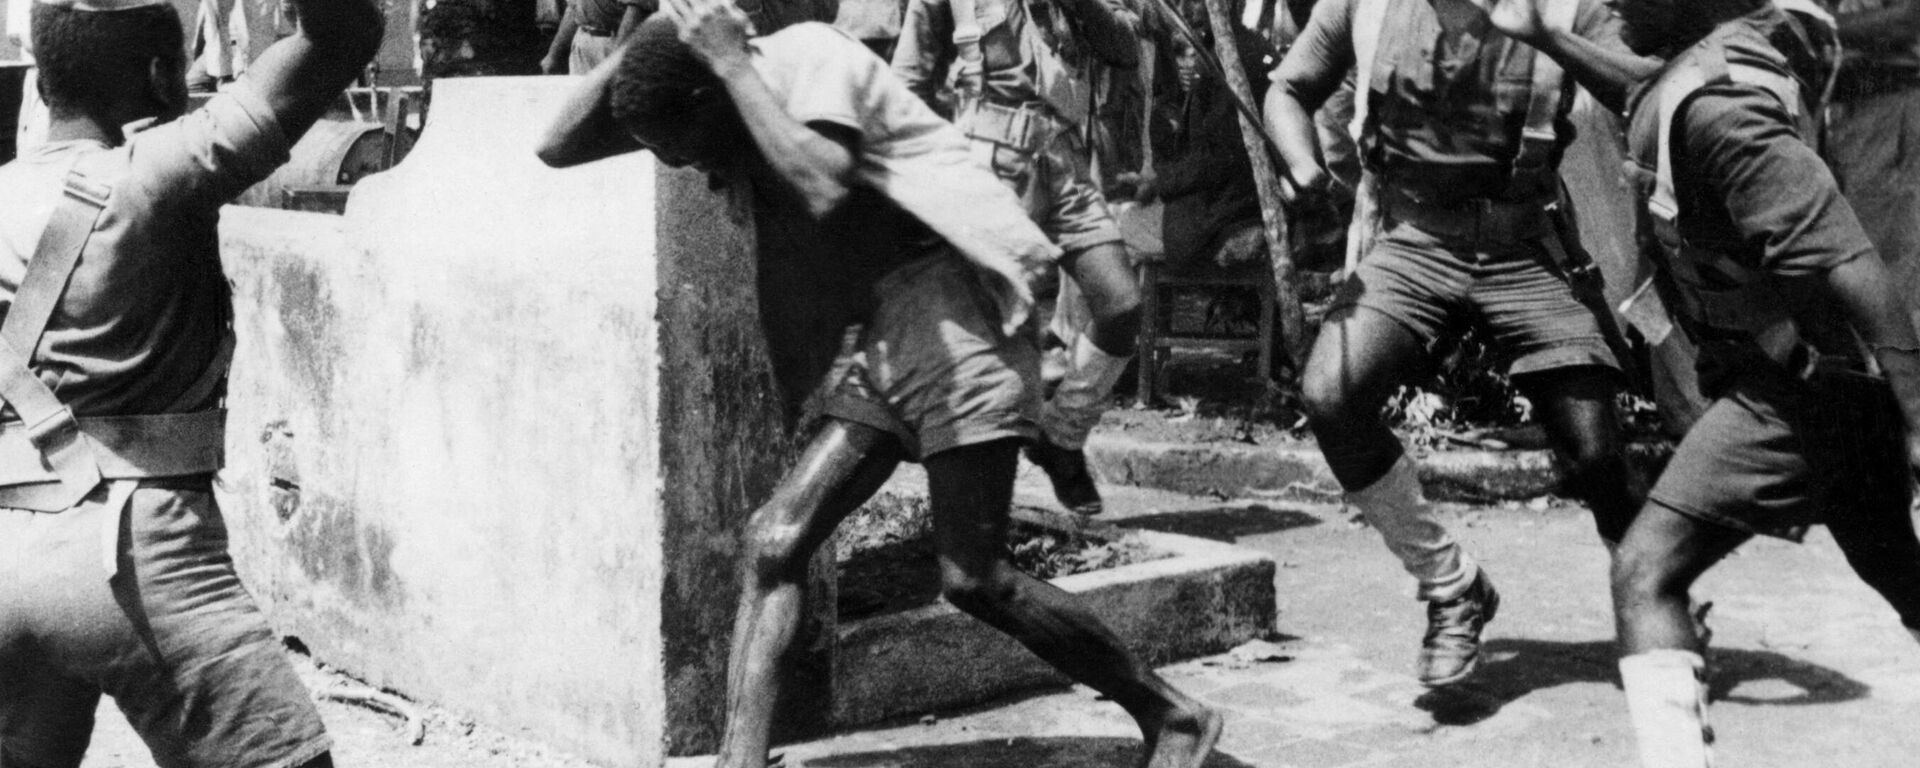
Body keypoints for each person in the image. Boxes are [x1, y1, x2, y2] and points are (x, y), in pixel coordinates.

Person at [535, 8, 1222, 768]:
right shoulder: (706, 93)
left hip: (962, 323)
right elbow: (555, 145)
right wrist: (657, 27)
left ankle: (1173, 714)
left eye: (681, 149)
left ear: (710, 98)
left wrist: (727, 62)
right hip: (888, 338)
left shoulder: (807, 59)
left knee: (976, 579)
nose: (689, 170)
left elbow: (824, 183)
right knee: (775, 541)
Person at [1533, 0, 1920, 763]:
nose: (1609, 2)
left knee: (1645, 572)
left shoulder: (1719, 109)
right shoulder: (1698, 67)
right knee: (1897, 570)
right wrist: (1546, 37)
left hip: (1798, 394)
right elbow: (1640, 89)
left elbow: (1846, 263)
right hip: (1830, 384)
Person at [0, 0, 381, 765]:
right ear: (162, 76)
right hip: (133, 552)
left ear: (44, 85)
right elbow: (344, 37)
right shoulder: (164, 171)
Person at [1264, 0, 1648, 686]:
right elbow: (1288, 89)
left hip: (1526, 244)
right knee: (1330, 397)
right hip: (1414, 242)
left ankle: (1653, 590)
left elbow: (1645, 85)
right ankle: (1450, 585)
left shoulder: (1564, 5)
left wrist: (1550, 36)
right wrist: (1300, 164)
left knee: (1596, 454)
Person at [892, 0, 1146, 516]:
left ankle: (1062, 437)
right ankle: (984, 522)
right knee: (1002, 350)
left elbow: (1125, 46)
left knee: (1121, 305)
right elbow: (905, 89)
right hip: (988, 167)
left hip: (1065, 164)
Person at [541, 0, 654, 74]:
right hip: (582, 43)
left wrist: (614, 60)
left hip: (614, 43)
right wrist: (553, 54)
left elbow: (635, 10)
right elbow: (574, 9)